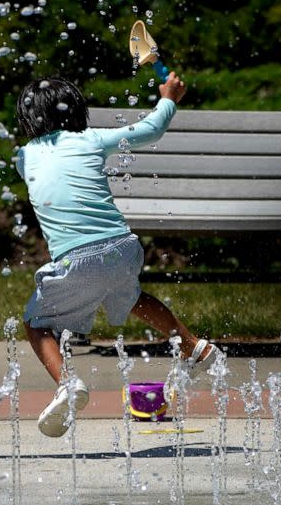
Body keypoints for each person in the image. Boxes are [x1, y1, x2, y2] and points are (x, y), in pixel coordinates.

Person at [16, 73, 218, 437]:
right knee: (130, 296)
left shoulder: (24, 155)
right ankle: (194, 346)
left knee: (35, 321)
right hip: (123, 247)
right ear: (77, 111)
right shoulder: (91, 139)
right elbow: (151, 129)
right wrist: (169, 97)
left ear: (27, 119)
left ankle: (67, 383)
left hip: (76, 258)